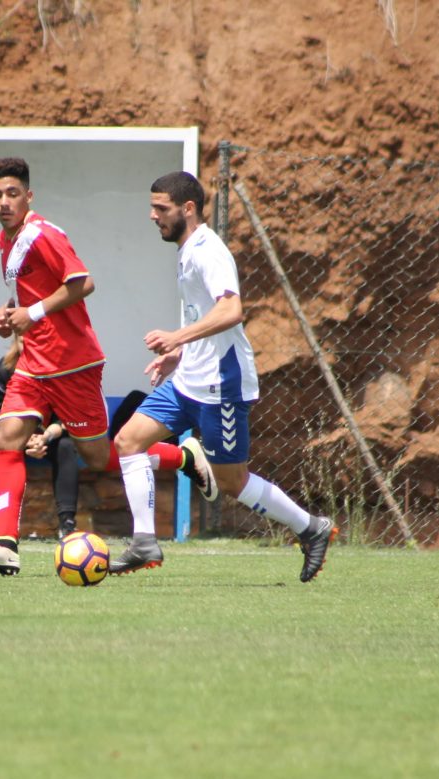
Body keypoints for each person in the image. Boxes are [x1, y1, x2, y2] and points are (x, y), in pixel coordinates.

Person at [0, 157, 214, 576]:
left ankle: (182, 457)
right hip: (33, 363)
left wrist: (35, 312)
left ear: (29, 195)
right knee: (6, 438)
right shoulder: (5, 241)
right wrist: (7, 314)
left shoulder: (43, 234)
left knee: (99, 457)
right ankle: (6, 545)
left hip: (72, 364)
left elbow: (82, 283)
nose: (4, 202)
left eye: (12, 193)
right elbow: (28, 296)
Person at [110, 171, 337, 582]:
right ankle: (144, 542)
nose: (152, 215)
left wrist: (175, 336)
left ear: (188, 209)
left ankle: (311, 527)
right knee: (128, 440)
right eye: (152, 207)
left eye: (160, 208)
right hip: (187, 382)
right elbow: (204, 315)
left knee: (233, 482)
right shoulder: (185, 249)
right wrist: (178, 353)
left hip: (221, 387)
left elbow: (231, 310)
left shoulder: (207, 250)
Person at [0, 336, 80, 539]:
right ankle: (4, 527)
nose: (27, 341)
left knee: (66, 445)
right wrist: (23, 439)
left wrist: (44, 437)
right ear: (15, 338)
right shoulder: (5, 368)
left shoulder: (59, 369)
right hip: (11, 434)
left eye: (34, 337)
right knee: (1, 442)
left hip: (50, 435)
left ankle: (67, 524)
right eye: (22, 336)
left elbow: (69, 416)